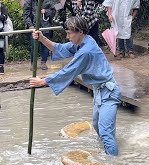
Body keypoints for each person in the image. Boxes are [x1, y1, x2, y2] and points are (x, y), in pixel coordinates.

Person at [29, 17, 121, 156]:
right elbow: (60, 48)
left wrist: (44, 81)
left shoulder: (86, 50)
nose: (67, 36)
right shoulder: (83, 42)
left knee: (105, 132)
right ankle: (109, 151)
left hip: (108, 92)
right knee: (98, 126)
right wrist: (42, 38)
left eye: (70, 33)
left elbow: (70, 70)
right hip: (99, 92)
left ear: (80, 32)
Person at [23, 0, 56, 71]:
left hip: (46, 27)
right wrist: (30, 25)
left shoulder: (48, 1)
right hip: (34, 27)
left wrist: (46, 12)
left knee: (45, 46)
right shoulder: (29, 2)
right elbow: (26, 14)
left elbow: (53, 12)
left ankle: (43, 62)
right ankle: (33, 63)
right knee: (34, 46)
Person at [0, 1, 8, 75]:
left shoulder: (2, 6)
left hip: (0, 32)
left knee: (0, 49)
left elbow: (5, 17)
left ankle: (1, 67)